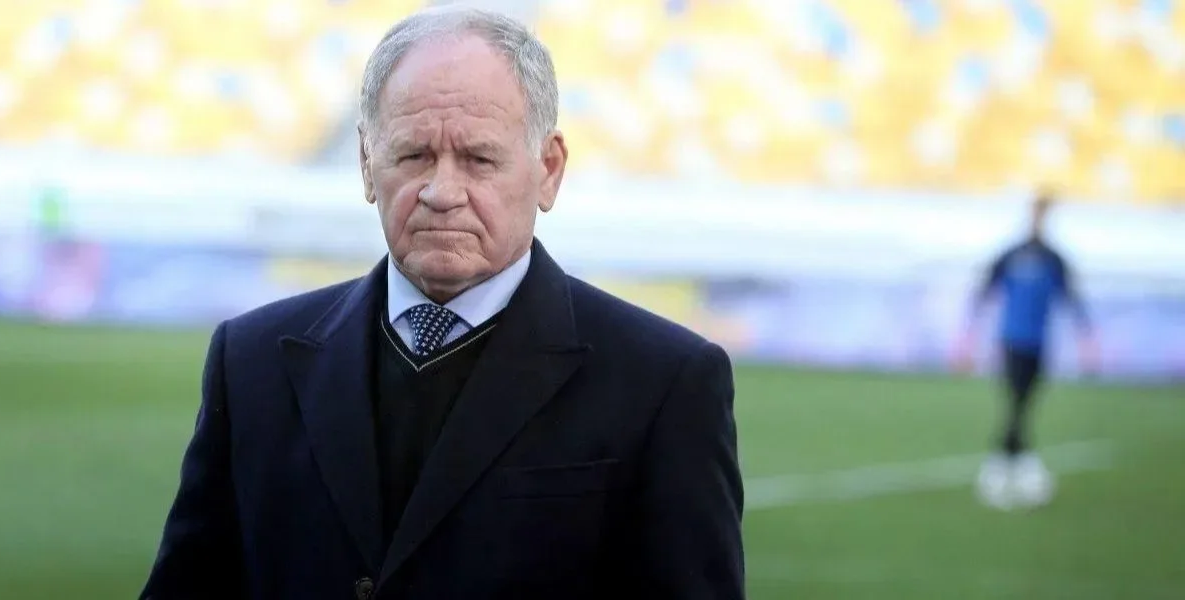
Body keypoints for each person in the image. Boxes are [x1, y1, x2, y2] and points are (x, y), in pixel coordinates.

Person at [140, 7, 744, 599]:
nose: (442, 191)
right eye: (414, 156)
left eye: (479, 159)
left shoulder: (663, 383)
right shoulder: (250, 362)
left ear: (548, 169)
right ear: (367, 163)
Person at [954, 194, 1099, 510]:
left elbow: (1073, 300)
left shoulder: (1053, 259)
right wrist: (967, 338)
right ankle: (1003, 471)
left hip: (1039, 343)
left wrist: (1087, 341)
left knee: (1024, 404)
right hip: (1011, 341)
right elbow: (983, 292)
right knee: (1017, 404)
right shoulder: (1011, 255)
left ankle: (1011, 468)